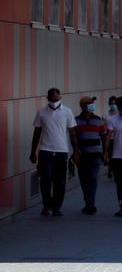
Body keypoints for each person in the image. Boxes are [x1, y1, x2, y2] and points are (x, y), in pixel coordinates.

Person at [30, 88, 78, 216]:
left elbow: (73, 133)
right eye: (51, 99)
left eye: (56, 99)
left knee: (60, 180)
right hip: (45, 150)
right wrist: (33, 152)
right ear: (47, 98)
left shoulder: (67, 112)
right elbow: (36, 133)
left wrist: (76, 151)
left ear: (60, 97)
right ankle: (47, 205)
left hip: (62, 151)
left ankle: (56, 207)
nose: (54, 101)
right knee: (45, 179)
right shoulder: (41, 112)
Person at [74, 96, 107, 214]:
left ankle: (91, 204)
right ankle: (88, 202)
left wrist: (105, 152)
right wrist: (75, 152)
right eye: (90, 103)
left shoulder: (98, 120)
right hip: (82, 155)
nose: (92, 105)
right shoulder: (76, 120)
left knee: (92, 178)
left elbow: (104, 136)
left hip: (95, 155)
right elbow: (73, 138)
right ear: (82, 106)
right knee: (84, 179)